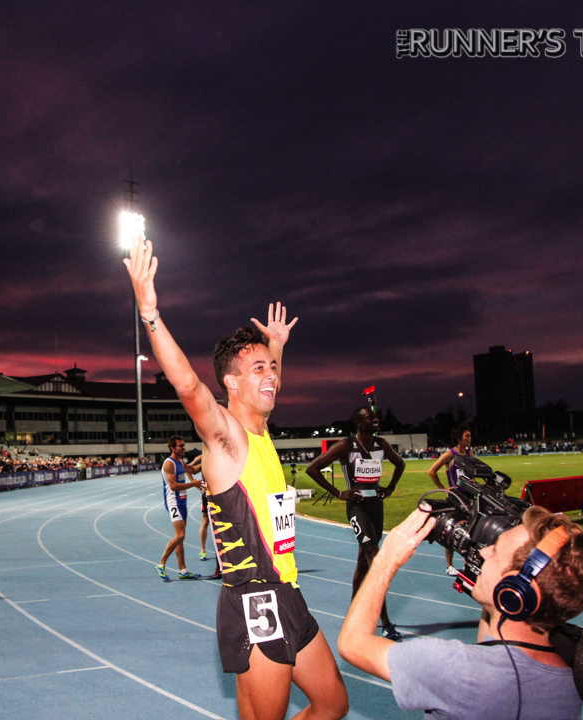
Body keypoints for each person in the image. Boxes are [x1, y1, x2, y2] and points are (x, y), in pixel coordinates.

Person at [124, 237, 348, 720]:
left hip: (288, 592)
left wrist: (276, 349)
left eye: (273, 370)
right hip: (257, 600)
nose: (271, 376)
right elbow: (188, 385)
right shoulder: (227, 437)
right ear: (229, 382)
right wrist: (150, 314)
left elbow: (267, 386)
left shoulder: (261, 430)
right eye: (258, 369)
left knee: (332, 705)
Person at [338, 504, 583, 720]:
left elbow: (353, 644)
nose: (485, 551)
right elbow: (492, 644)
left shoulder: (456, 668)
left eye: (495, 550)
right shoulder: (571, 676)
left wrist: (387, 559)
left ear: (514, 592)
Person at [305, 406, 405, 640]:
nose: (376, 420)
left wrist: (389, 488)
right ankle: (385, 623)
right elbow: (313, 468)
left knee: (363, 561)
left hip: (376, 507)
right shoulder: (346, 445)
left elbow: (400, 464)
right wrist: (339, 493)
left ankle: (353, 613)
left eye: (376, 417)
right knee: (373, 555)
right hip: (357, 506)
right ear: (359, 424)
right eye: (370, 418)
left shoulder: (381, 444)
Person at [156, 435, 203, 580]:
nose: (184, 448)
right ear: (172, 448)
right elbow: (174, 486)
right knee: (180, 535)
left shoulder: (180, 462)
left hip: (182, 502)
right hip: (173, 501)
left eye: (184, 445)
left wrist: (208, 459)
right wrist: (194, 484)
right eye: (180, 446)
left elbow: (193, 470)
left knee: (180, 538)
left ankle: (183, 571)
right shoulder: (169, 463)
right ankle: (161, 563)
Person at [428, 426, 473, 575]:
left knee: (470, 531)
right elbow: (432, 471)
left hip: (469, 496)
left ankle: (467, 565)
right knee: (452, 529)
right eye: (466, 436)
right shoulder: (450, 454)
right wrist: (444, 488)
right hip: (455, 497)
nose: (469, 438)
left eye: (470, 436)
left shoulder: (470, 454)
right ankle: (450, 566)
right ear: (459, 438)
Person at [185, 453, 222, 580]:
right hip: (207, 495)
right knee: (205, 522)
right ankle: (203, 550)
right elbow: (191, 468)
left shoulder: (218, 458)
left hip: (220, 493)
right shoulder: (205, 460)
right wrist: (194, 483)